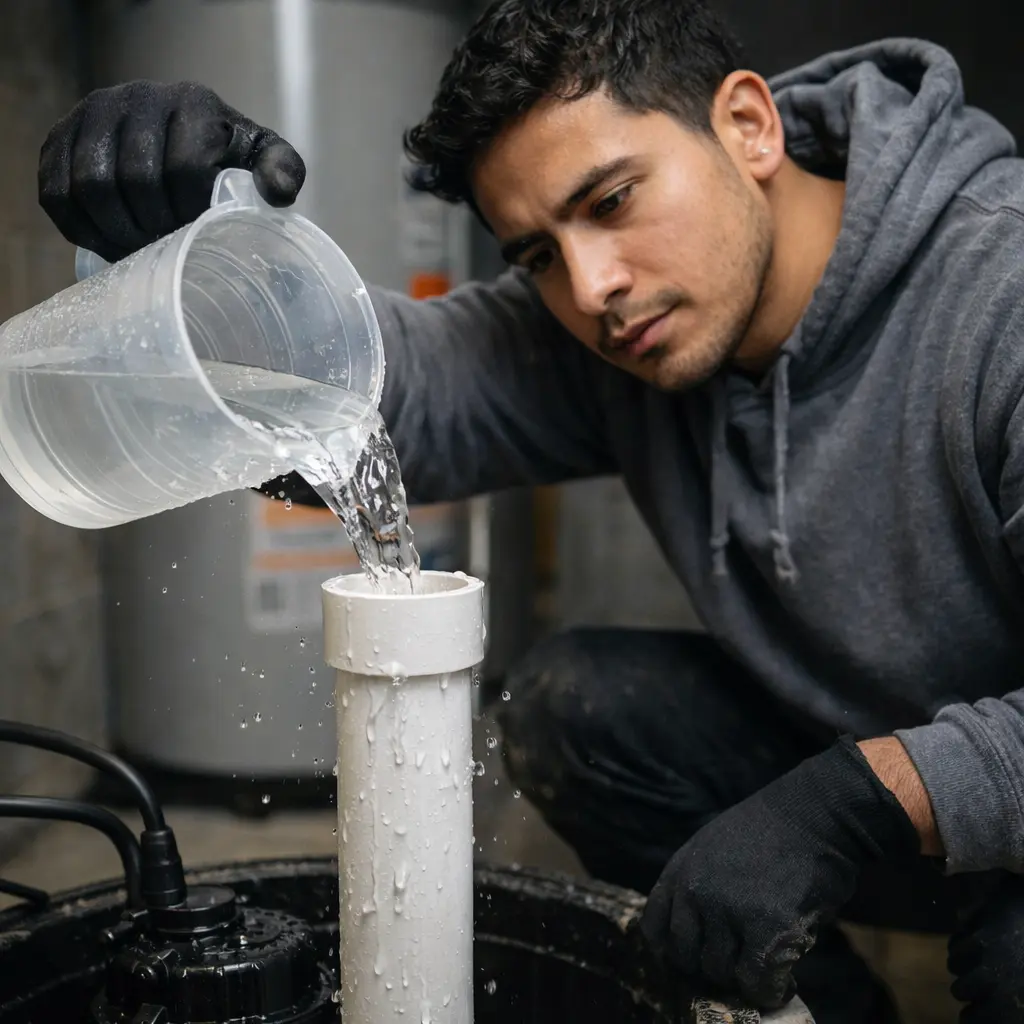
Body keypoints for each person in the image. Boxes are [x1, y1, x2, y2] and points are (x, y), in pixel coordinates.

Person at [34, 2, 1024, 1020]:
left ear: (748, 126)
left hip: (984, 808)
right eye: (538, 254)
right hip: (876, 787)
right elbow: (388, 389)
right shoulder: (621, 326)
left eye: (613, 199)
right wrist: (182, 265)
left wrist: (848, 803)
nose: (595, 287)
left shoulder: (1000, 294)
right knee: (577, 706)